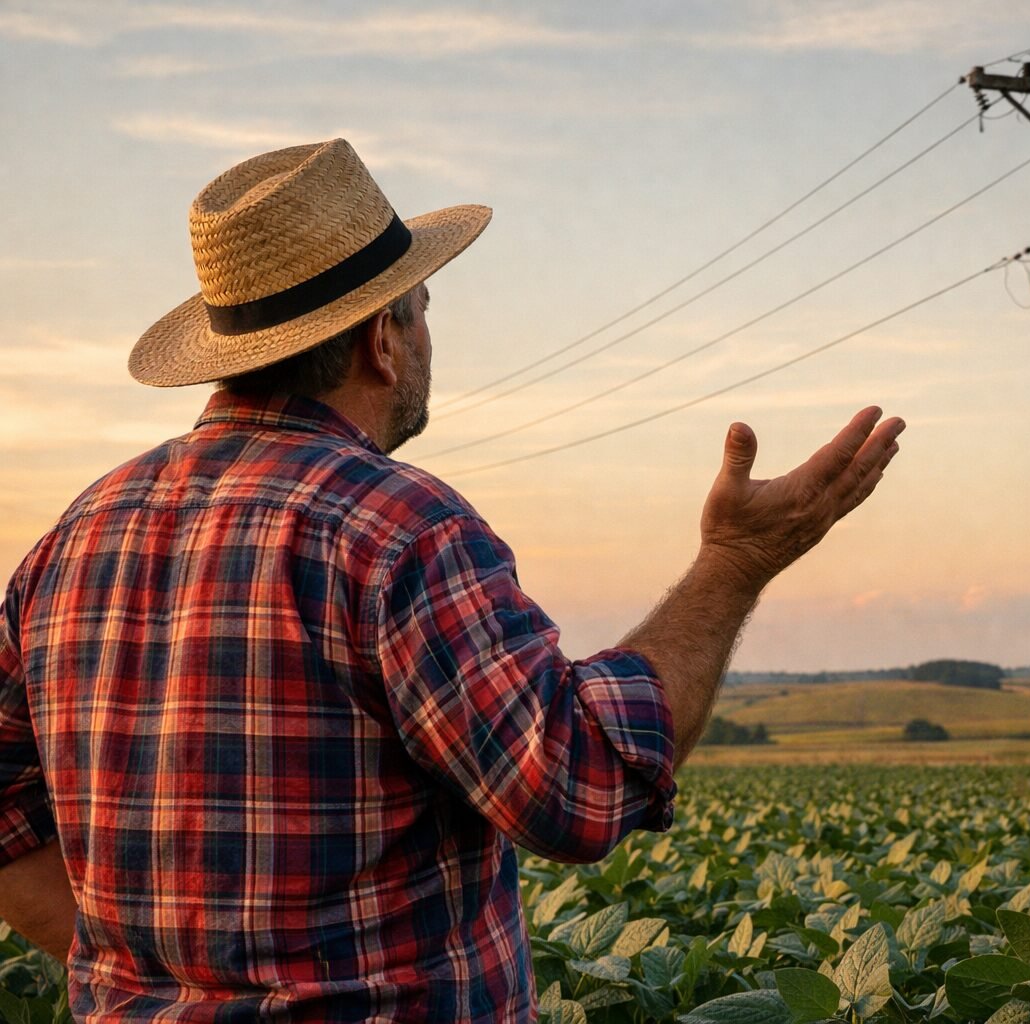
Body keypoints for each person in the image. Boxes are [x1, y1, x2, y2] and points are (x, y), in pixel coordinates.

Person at [0, 139, 903, 1021]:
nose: (430, 335)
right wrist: (735, 564)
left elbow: (5, 831)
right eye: (422, 308)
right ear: (382, 340)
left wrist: (179, 987)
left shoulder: (70, 539)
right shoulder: (396, 529)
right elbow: (574, 791)